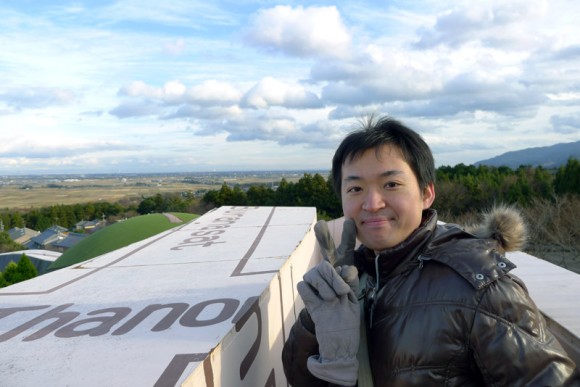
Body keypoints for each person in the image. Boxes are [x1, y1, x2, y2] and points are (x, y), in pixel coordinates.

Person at [282, 115, 580, 386]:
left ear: (426, 193)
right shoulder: (350, 277)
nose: (372, 203)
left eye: (391, 184)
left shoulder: (479, 287)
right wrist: (318, 331)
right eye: (355, 189)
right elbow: (298, 378)